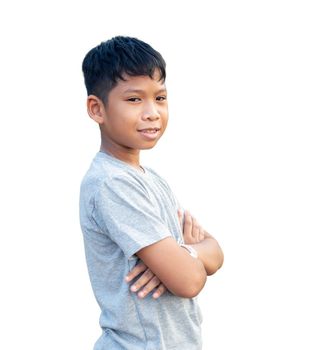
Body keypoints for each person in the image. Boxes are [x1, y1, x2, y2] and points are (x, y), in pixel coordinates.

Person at [79, 36, 224, 350]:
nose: (152, 112)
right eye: (134, 100)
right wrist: (185, 260)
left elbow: (215, 253)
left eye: (160, 98)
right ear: (97, 108)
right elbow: (189, 281)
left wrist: (185, 254)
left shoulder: (150, 179)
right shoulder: (112, 184)